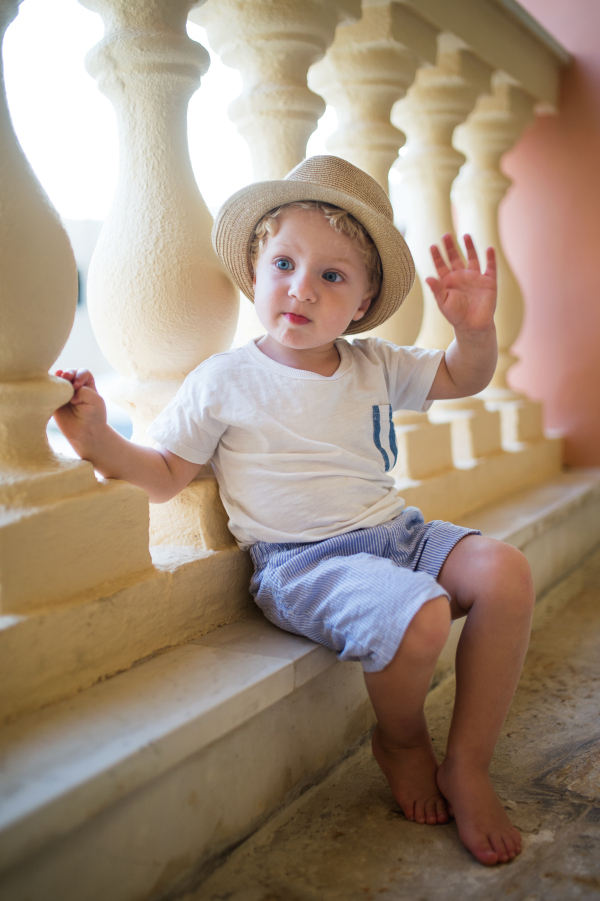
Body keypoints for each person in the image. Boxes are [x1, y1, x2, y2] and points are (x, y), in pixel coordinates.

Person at [53, 156, 534, 867]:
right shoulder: (225, 380)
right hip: (308, 563)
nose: (301, 288)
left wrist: (474, 329)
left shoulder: (372, 362)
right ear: (255, 274)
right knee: (422, 613)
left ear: (362, 302)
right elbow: (162, 475)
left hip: (396, 535)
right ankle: (401, 739)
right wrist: (97, 438)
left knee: (506, 571)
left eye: (332, 276)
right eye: (284, 263)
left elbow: (465, 376)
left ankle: (467, 761)